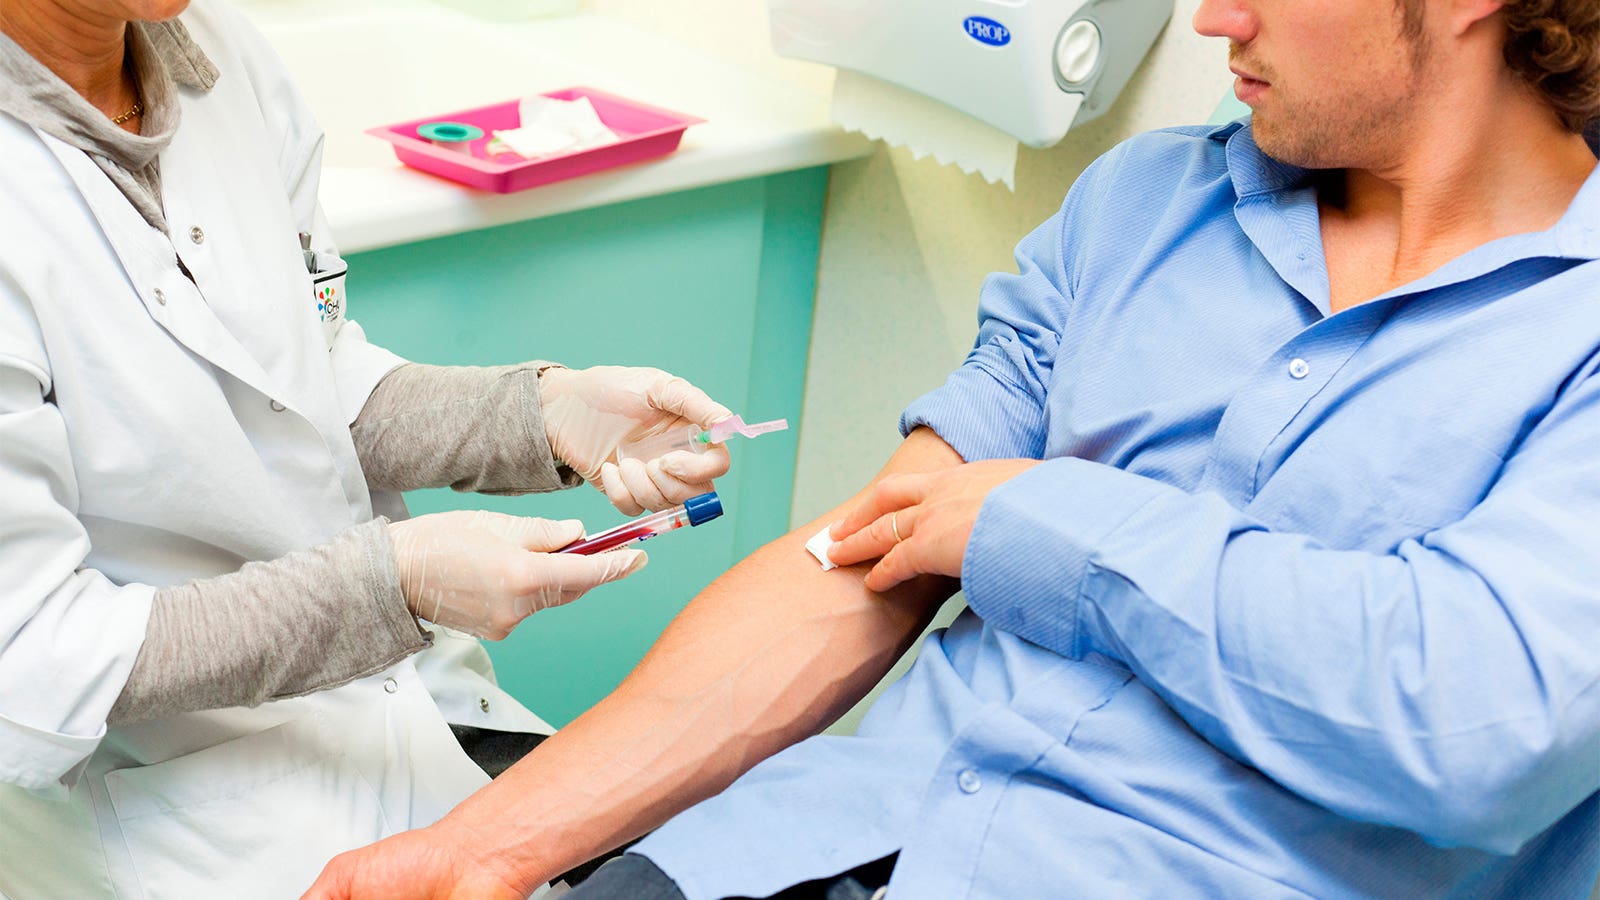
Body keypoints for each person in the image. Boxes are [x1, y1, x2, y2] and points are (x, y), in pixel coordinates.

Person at [305, 0, 1600, 896]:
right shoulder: (1149, 203)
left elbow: (1473, 717)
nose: (1211, 23)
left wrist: (1053, 525)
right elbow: (868, 549)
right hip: (809, 847)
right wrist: (495, 846)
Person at [0, 0, 737, 896]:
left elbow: (310, 382)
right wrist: (394, 585)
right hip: (155, 801)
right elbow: (34, 656)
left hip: (400, 711)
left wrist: (538, 415)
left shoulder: (219, 55)